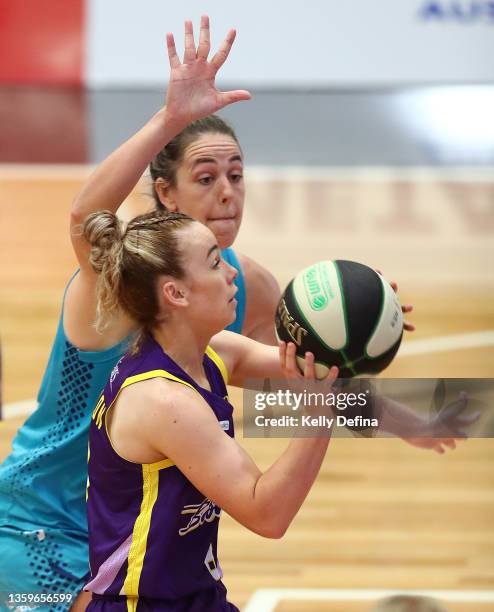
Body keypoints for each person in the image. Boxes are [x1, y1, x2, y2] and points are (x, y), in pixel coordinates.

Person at [0, 17, 270, 611]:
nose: (228, 191)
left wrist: (414, 415)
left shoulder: (241, 284)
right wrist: (169, 119)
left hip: (128, 537)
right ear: (166, 195)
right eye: (206, 177)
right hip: (44, 526)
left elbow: (290, 395)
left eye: (236, 175)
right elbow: (84, 216)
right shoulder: (123, 278)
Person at [82, 207, 340, 610]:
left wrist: (361, 315)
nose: (231, 273)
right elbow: (267, 514)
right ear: (176, 293)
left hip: (196, 596)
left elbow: (317, 367)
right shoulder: (164, 402)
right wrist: (318, 419)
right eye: (215, 262)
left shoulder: (212, 353)